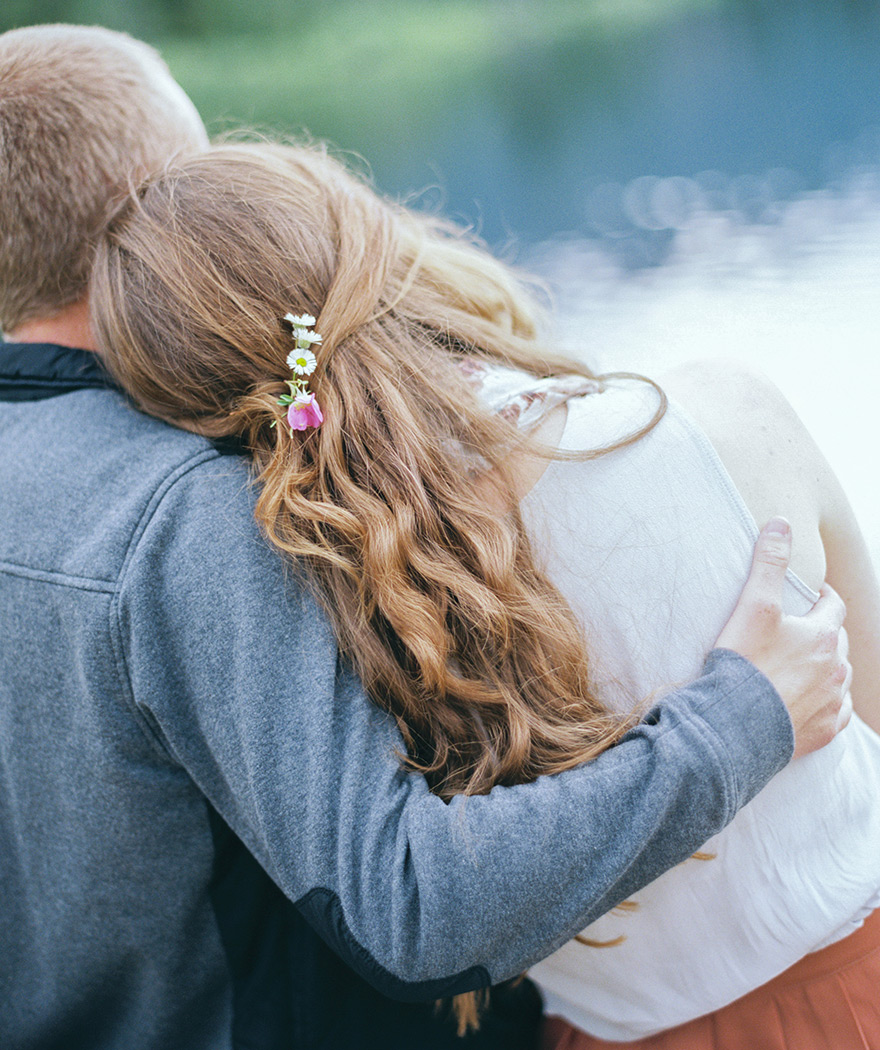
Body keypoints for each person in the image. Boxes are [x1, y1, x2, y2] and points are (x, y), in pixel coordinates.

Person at [0, 24, 850, 1050]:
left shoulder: (271, 496)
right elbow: (413, 905)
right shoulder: (189, 509)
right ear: (153, 211)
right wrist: (738, 720)